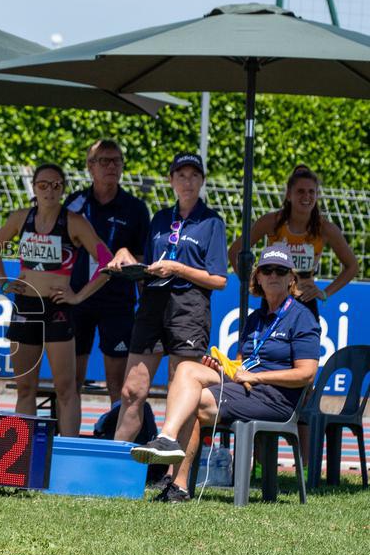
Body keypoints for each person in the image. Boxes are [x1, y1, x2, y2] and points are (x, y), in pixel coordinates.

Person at [129, 244, 319, 502]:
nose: (273, 275)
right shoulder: (255, 319)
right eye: (267, 270)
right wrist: (223, 368)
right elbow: (243, 365)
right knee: (187, 369)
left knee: (194, 402)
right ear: (258, 278)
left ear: (291, 279)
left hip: (276, 399)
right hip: (247, 388)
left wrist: (257, 377)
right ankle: (167, 442)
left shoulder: (302, 317)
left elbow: (307, 374)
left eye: (280, 270)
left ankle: (178, 483)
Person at [108, 152, 229, 443]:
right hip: (152, 304)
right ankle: (116, 468)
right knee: (132, 390)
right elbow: (150, 263)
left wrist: (178, 268)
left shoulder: (212, 222)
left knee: (180, 393)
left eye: (194, 176)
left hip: (189, 308)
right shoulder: (161, 218)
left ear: (202, 181)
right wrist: (126, 260)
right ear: (171, 180)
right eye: (181, 175)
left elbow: (219, 280)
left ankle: (172, 474)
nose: (188, 182)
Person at [0, 163, 111, 436]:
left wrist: (78, 296)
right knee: (25, 388)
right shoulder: (22, 218)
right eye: (43, 185)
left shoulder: (75, 222)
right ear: (34, 188)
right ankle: (24, 452)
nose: (49, 191)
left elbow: (107, 262)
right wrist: (3, 281)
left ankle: (69, 451)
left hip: (58, 309)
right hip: (26, 307)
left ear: (63, 189)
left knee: (66, 388)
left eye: (56, 185)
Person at [64, 140, 151, 402]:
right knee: (72, 380)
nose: (111, 166)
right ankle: (68, 439)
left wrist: (145, 304)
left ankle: (112, 438)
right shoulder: (74, 204)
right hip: (78, 297)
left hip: (118, 301)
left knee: (116, 382)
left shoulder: (136, 208)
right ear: (90, 167)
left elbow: (141, 258)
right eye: (104, 160)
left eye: (117, 160)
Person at [228, 165, 357, 319]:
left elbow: (352, 267)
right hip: (273, 301)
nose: (306, 197)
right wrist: (254, 285)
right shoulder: (271, 222)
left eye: (311, 192)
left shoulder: (325, 229)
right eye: (300, 191)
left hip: (305, 302)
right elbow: (235, 251)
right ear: (289, 195)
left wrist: (324, 293)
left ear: (317, 196)